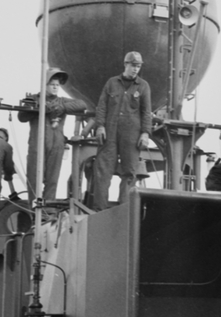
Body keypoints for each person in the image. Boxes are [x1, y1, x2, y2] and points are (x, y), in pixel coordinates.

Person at [19, 68, 93, 204]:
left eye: (57, 85)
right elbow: (21, 116)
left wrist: (63, 108)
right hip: (37, 144)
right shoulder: (35, 99)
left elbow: (82, 104)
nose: (55, 87)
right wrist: (39, 108)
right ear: (45, 85)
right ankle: (33, 211)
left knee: (52, 180)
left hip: (56, 144)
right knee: (34, 179)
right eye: (52, 84)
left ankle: (48, 210)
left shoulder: (62, 101)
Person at [93, 51, 155, 209]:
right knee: (103, 170)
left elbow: (146, 112)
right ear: (125, 64)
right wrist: (100, 126)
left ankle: (125, 211)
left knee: (129, 172)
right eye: (133, 66)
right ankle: (99, 210)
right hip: (109, 133)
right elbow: (102, 106)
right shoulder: (111, 83)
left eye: (138, 66)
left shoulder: (143, 86)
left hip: (132, 135)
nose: (135, 69)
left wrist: (145, 133)